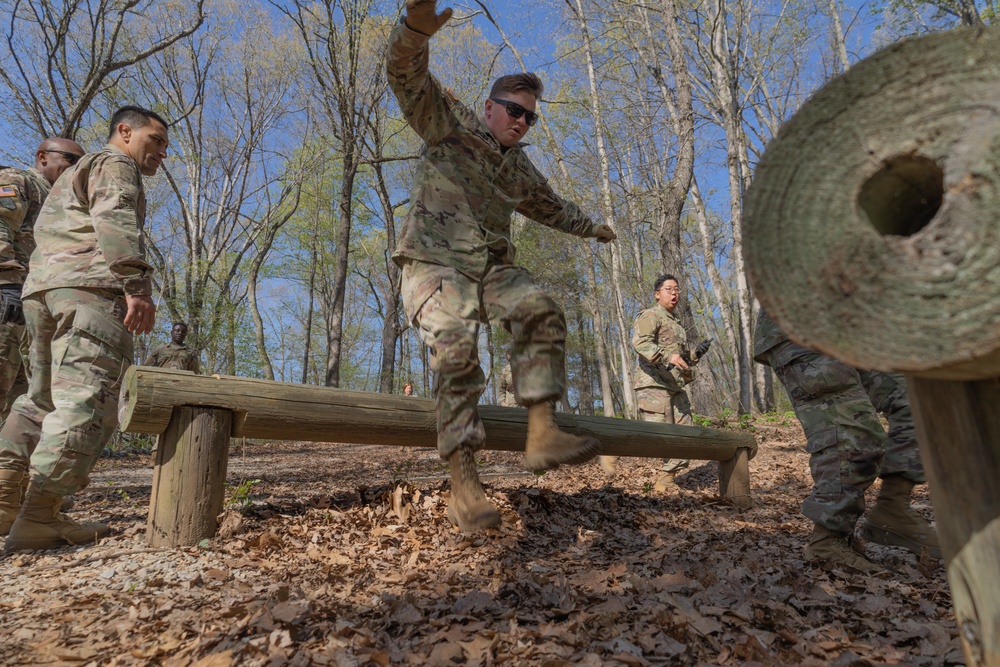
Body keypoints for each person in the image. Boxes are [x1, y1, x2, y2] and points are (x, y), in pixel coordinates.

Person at [388, 0, 617, 533]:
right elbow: (406, 76)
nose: (521, 121)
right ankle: (464, 485)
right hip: (434, 262)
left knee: (539, 307)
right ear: (489, 107)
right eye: (513, 110)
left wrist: (594, 228)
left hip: (490, 271)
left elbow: (552, 208)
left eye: (530, 116)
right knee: (458, 348)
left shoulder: (521, 169)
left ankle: (542, 433)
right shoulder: (450, 125)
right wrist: (412, 33)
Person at [0, 106, 165, 553]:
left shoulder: (74, 175)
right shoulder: (114, 163)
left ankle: (5, 505)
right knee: (89, 397)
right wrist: (137, 286)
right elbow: (115, 218)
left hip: (43, 290)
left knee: (39, 398)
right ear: (125, 132)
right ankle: (40, 515)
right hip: (89, 290)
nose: (161, 153)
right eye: (155, 141)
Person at [754, 309, 940, 573]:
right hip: (801, 320)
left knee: (918, 398)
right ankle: (826, 542)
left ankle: (894, 507)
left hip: (853, 326)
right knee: (855, 432)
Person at [0, 138, 86, 423]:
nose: (76, 169)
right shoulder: (21, 181)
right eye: (72, 161)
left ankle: (13, 467)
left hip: (36, 305)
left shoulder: (62, 200)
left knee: (26, 396)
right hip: (9, 300)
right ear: (43, 156)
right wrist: (7, 283)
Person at [601, 274, 708, 491]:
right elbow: (640, 342)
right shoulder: (650, 315)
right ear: (657, 294)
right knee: (654, 434)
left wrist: (694, 354)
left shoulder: (677, 324)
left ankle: (665, 480)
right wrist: (669, 357)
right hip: (653, 383)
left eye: (677, 289)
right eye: (669, 289)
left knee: (686, 436)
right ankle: (611, 449)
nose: (674, 293)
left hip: (675, 386)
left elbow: (678, 358)